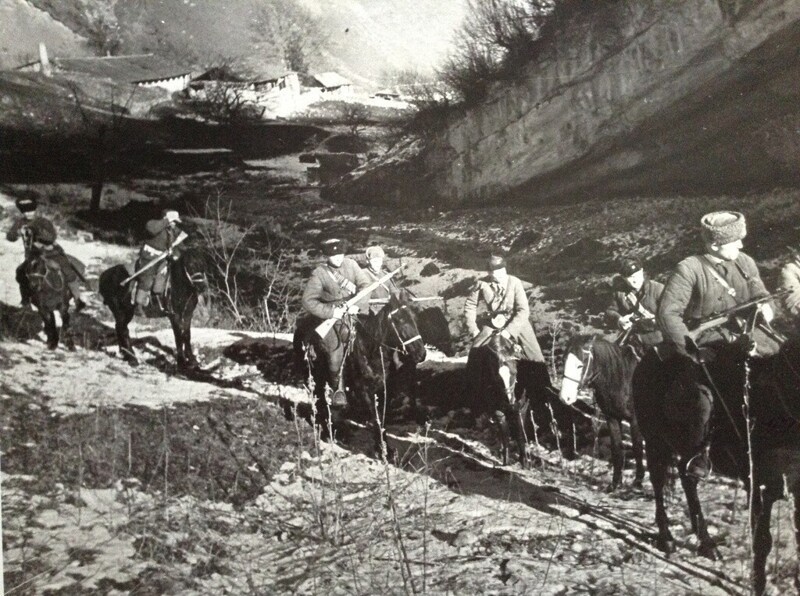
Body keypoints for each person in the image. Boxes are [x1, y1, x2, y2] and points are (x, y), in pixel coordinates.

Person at [657, 210, 774, 478]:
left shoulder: (745, 262)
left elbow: (761, 294)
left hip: (747, 333)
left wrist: (766, 308)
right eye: (736, 241)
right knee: (705, 398)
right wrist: (692, 351)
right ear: (714, 245)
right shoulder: (689, 269)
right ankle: (698, 452)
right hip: (708, 340)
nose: (742, 246)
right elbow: (667, 314)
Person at [301, 238, 372, 405]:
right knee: (336, 352)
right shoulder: (319, 273)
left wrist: (357, 305)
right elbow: (308, 301)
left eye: (340, 253)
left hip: (354, 313)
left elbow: (365, 285)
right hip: (331, 319)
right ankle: (336, 389)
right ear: (327, 256)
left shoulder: (351, 265)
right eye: (334, 255)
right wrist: (332, 312)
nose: (338, 257)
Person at [6, 197, 86, 311]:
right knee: (20, 273)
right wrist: (17, 233)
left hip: (51, 253)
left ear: (35, 210)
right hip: (32, 256)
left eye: (30, 211)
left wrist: (36, 233)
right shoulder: (20, 222)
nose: (28, 213)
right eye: (25, 211)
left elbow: (51, 237)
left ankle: (78, 299)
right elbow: (10, 237)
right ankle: (25, 301)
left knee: (67, 271)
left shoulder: (43, 221)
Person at [464, 255, 544, 363]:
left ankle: (541, 376)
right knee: (476, 351)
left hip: (516, 321)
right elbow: (470, 305)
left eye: (503, 271)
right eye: (497, 273)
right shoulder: (482, 284)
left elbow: (523, 310)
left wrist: (509, 331)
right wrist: (473, 329)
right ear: (489, 273)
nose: (502, 275)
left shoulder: (515, 282)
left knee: (535, 355)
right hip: (493, 322)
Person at [605, 257, 664, 354]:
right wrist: (620, 320)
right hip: (633, 338)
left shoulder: (658, 289)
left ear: (642, 271)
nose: (635, 280)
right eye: (630, 277)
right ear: (624, 278)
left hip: (659, 337)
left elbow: (673, 316)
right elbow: (609, 312)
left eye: (636, 275)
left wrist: (650, 318)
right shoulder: (620, 292)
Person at [134, 210, 184, 314]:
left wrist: (176, 255)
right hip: (148, 257)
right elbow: (152, 230)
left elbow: (179, 246)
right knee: (147, 279)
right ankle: (138, 305)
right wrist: (166, 221)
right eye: (173, 221)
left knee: (161, 280)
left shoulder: (174, 231)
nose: (175, 224)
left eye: (176, 222)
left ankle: (156, 304)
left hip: (163, 260)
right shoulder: (153, 224)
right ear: (167, 219)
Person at [363, 245, 400, 314]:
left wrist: (395, 299)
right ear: (367, 261)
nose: (378, 264)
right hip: (369, 310)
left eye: (380, 261)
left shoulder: (385, 275)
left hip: (386, 309)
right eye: (374, 261)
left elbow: (394, 291)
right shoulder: (362, 274)